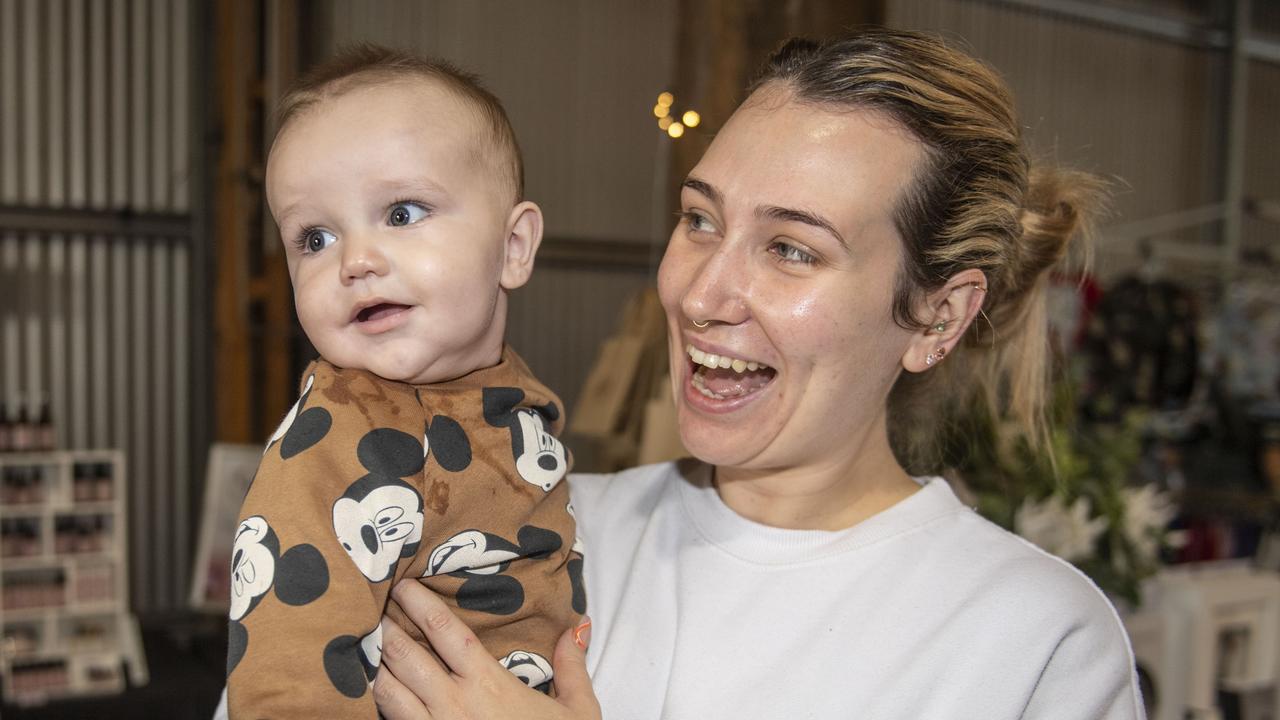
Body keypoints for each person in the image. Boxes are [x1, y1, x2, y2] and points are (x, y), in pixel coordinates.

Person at [369, 28, 1147, 720]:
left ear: (938, 317)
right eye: (700, 220)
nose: (701, 294)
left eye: (791, 249)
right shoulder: (529, 534)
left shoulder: (1033, 642)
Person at [222, 45, 584, 718]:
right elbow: (286, 675)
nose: (356, 260)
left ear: (513, 248)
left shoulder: (514, 397)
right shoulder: (336, 437)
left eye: (401, 213)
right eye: (315, 239)